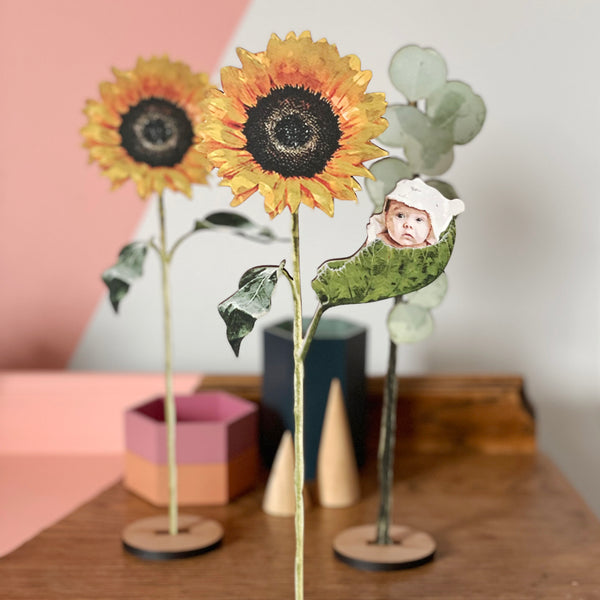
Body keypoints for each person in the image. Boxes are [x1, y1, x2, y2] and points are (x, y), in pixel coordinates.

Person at [366, 177, 465, 249]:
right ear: (386, 216)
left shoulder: (428, 251)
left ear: (431, 227)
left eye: (419, 219)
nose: (408, 225)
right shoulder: (378, 242)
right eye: (400, 215)